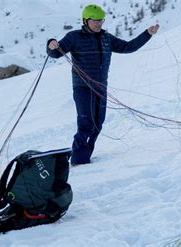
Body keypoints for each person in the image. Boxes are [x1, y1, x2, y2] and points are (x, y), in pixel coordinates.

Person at [47, 4, 159, 165]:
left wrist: (147, 34)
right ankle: (78, 160)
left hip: (101, 88)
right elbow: (56, 53)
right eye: (95, 21)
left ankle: (85, 157)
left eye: (101, 20)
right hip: (83, 88)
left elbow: (128, 47)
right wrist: (51, 43)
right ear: (86, 20)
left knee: (98, 124)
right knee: (85, 124)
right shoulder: (74, 37)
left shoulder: (107, 38)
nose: (99, 24)